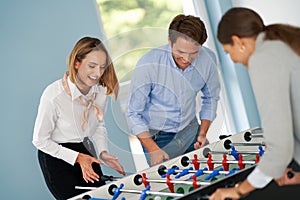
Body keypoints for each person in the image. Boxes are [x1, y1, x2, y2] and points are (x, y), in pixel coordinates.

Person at [209, 7, 300, 200]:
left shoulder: (262, 59)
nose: (232, 59)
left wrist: (238, 190)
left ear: (237, 41)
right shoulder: (280, 45)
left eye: (228, 52)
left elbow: (280, 148)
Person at [32, 36, 125, 200]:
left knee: (101, 196)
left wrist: (103, 152)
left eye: (102, 67)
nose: (98, 73)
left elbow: (97, 125)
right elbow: (40, 141)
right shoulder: (54, 95)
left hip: (86, 149)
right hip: (57, 156)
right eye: (92, 66)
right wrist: (77, 158)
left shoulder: (100, 91)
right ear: (76, 63)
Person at [125, 14, 220, 167]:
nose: (187, 59)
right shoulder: (148, 64)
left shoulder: (208, 59)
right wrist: (153, 149)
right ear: (170, 42)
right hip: (157, 139)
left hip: (191, 130)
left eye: (194, 53)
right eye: (181, 52)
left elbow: (211, 98)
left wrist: (202, 133)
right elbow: (133, 113)